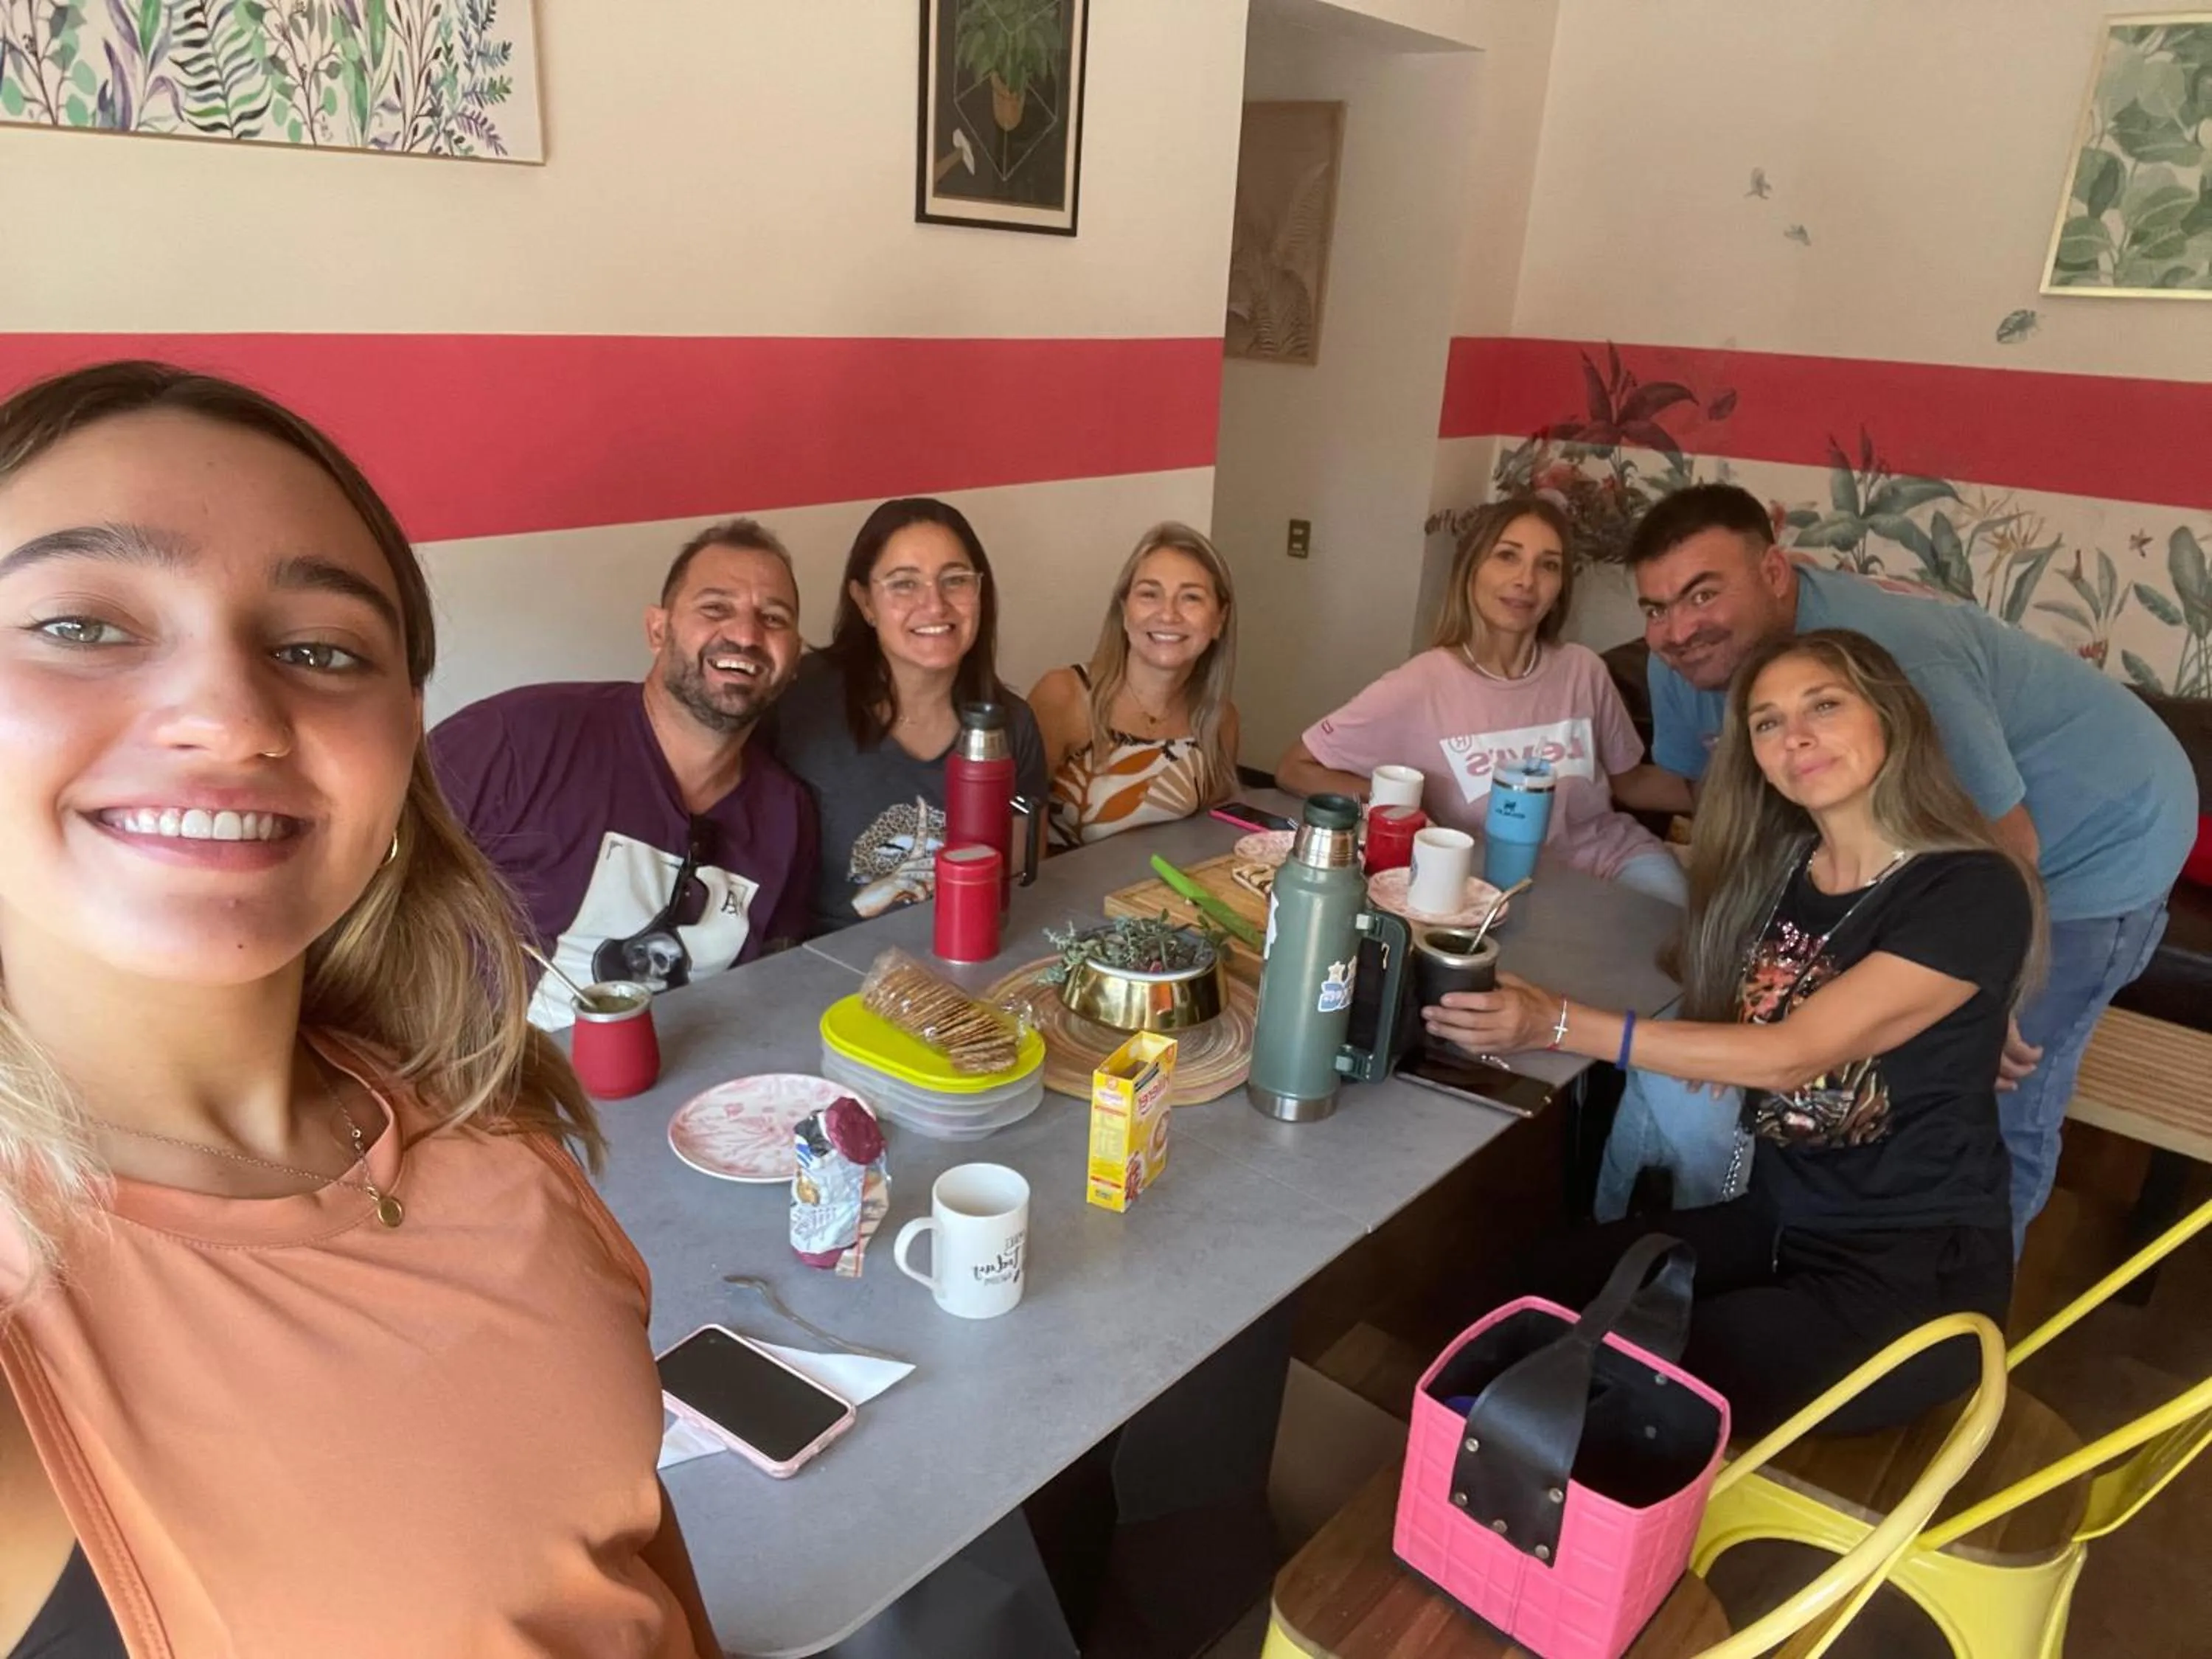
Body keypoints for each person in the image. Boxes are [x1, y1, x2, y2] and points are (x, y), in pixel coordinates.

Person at [0, 361, 715, 1656]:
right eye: (82, 625)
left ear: (402, 748)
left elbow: (630, 1563)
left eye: (321, 650)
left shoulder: (495, 1135)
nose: (228, 716)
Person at [1428, 630, 2042, 1439]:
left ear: (1892, 716)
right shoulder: (1788, 870)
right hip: (1777, 1219)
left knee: (1622, 1392)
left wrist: (1558, 1021)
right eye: (1766, 722)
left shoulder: (1969, 885)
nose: (1796, 736)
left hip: (1909, 1277)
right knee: (1524, 1296)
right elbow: (1754, 1011)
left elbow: (1792, 1052)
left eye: (1824, 705)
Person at [1627, 484, 2194, 1248]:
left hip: (2096, 838)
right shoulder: (1686, 660)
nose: (1678, 629)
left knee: (1992, 1097)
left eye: (1702, 594)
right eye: (1655, 607)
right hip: (1946, 842)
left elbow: (2007, 844)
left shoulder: (1896, 654)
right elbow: (1719, 801)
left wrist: (1985, 999)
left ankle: (1963, 1324)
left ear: (1773, 571)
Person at [431, 519, 816, 1028]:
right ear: (658, 630)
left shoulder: (786, 815)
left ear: (794, 657)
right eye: (715, 608)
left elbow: (770, 985)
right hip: (488, 1091)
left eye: (774, 618)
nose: (745, 635)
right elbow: (362, 891)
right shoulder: (515, 740)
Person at [1275, 498, 1688, 903]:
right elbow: (1296, 768)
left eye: (1548, 565)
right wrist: (1403, 804)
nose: (1526, 580)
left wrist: (1735, 793)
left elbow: (1630, 782)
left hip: (1614, 861)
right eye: (1507, 556)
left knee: (1691, 948)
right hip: (1492, 888)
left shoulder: (1583, 669)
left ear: (1560, 585)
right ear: (1471, 570)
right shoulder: (1421, 684)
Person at [770, 498, 1047, 932]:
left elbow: (1013, 888)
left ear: (980, 592)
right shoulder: (796, 703)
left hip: (965, 961)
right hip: (823, 975)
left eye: (955, 580)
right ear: (864, 602)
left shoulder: (1012, 726)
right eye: (904, 584)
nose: (935, 605)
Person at [1029, 522, 1239, 849]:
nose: (1168, 614)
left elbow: (1205, 844)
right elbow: (1019, 839)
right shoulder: (1064, 696)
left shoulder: (1219, 718)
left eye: (1191, 598)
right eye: (1149, 594)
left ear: (1219, 620)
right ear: (1124, 610)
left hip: (1159, 897)